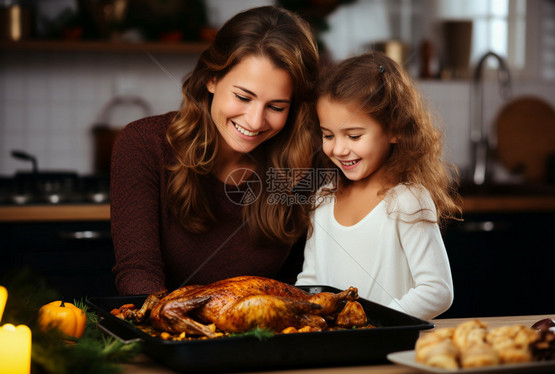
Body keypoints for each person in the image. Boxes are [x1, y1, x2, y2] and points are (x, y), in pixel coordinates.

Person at [110, 6, 320, 295]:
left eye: (276, 106)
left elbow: (300, 283)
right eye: (243, 97)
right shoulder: (144, 144)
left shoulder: (307, 165)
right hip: (167, 334)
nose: (255, 121)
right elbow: (138, 272)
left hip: (265, 335)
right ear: (211, 78)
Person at [296, 51, 462, 320]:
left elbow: (437, 291)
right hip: (335, 349)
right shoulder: (323, 199)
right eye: (328, 135)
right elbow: (311, 279)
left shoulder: (407, 200)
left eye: (354, 135)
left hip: (390, 350)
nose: (338, 148)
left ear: (395, 129)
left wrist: (375, 325)